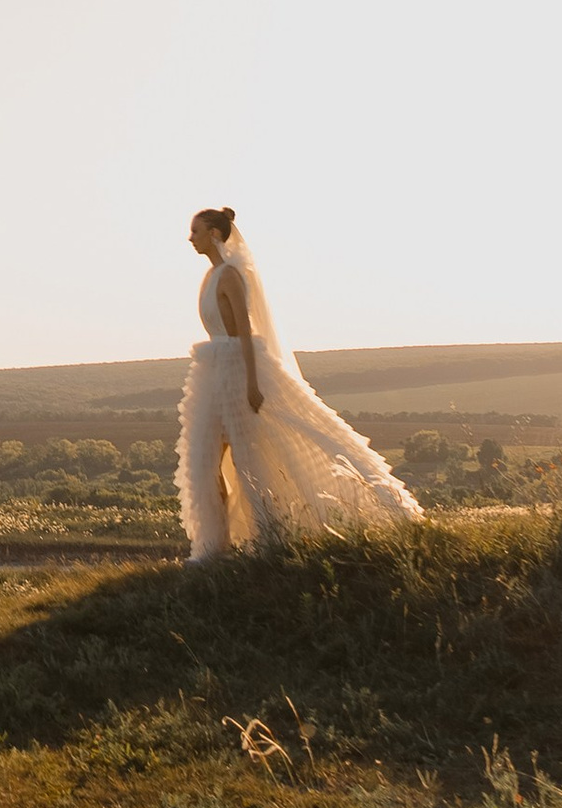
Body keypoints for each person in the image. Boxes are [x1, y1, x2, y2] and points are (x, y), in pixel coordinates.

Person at [177, 206, 419, 562]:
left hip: (236, 372)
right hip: (210, 373)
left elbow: (245, 332)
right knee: (202, 460)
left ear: (214, 233)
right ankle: (214, 546)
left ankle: (268, 537)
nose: (190, 238)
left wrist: (253, 384)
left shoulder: (230, 275)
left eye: (195, 231)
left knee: (248, 460)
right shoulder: (208, 277)